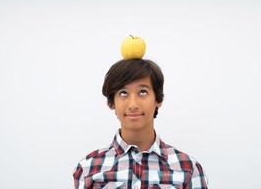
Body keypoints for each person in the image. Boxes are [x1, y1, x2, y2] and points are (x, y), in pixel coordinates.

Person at [73, 59, 208, 189]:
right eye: (123, 93)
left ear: (158, 99)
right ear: (111, 103)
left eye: (143, 92)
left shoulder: (188, 169)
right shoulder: (88, 168)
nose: (133, 105)